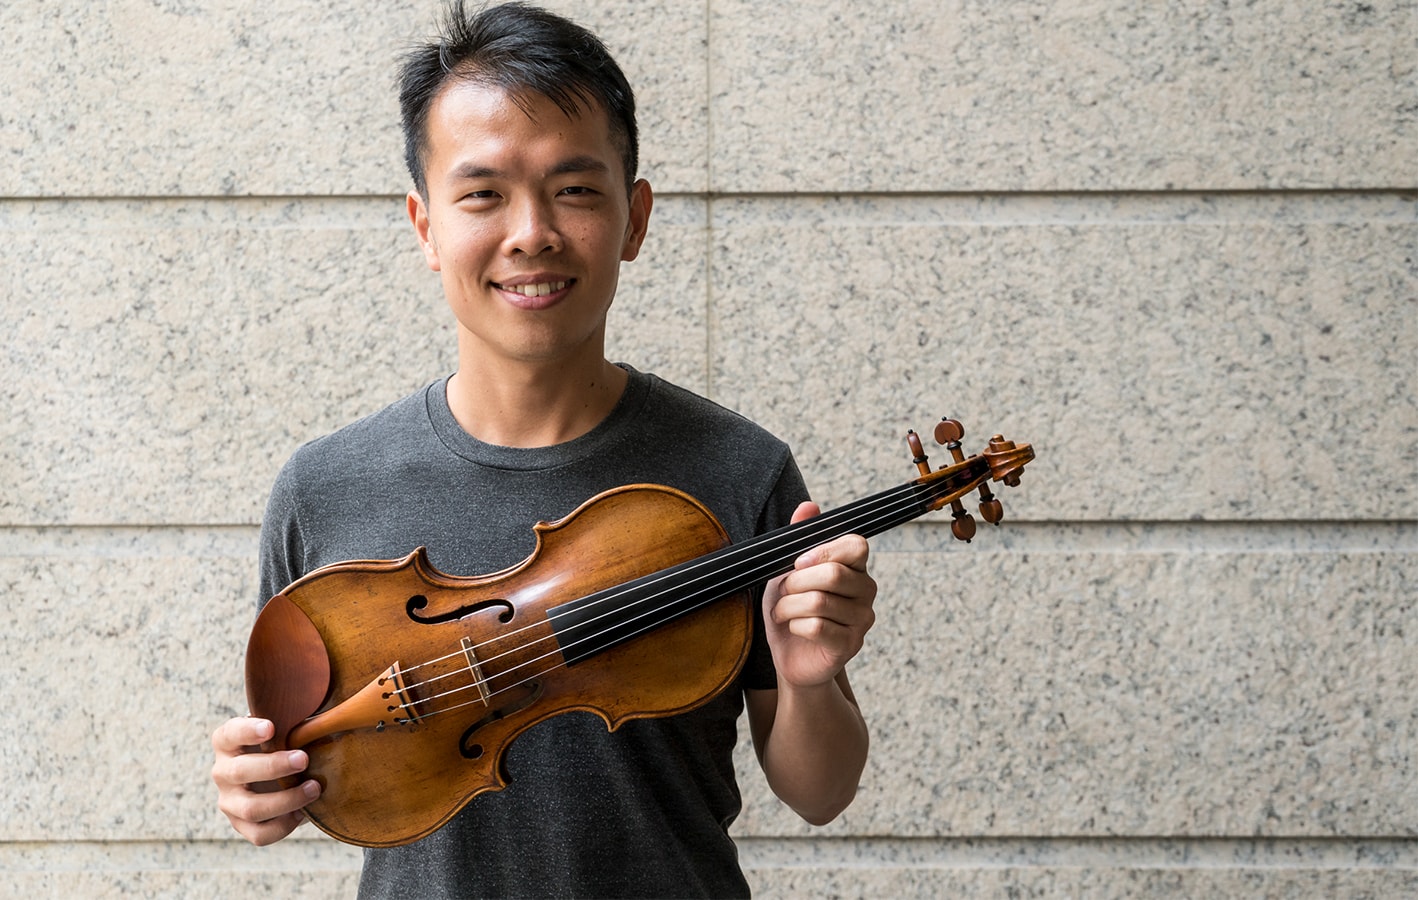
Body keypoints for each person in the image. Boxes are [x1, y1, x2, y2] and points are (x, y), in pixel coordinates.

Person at [210, 2, 876, 896]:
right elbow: (301, 754)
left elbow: (821, 791)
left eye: (574, 189)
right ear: (425, 226)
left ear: (635, 219)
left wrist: (809, 680)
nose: (532, 232)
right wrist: (260, 788)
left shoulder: (738, 468)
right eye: (483, 193)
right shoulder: (325, 487)